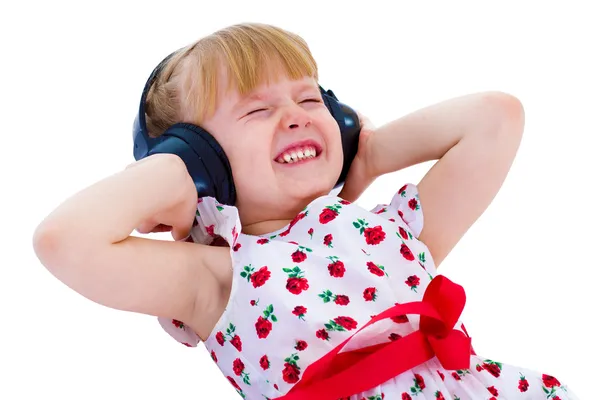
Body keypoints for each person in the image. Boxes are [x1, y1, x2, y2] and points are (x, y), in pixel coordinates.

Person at [32, 22, 578, 400]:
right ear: (204, 160)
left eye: (312, 99)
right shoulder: (214, 277)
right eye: (258, 109)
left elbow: (496, 118)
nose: (296, 115)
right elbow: (63, 240)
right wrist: (176, 173)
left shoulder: (391, 231)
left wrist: (371, 149)